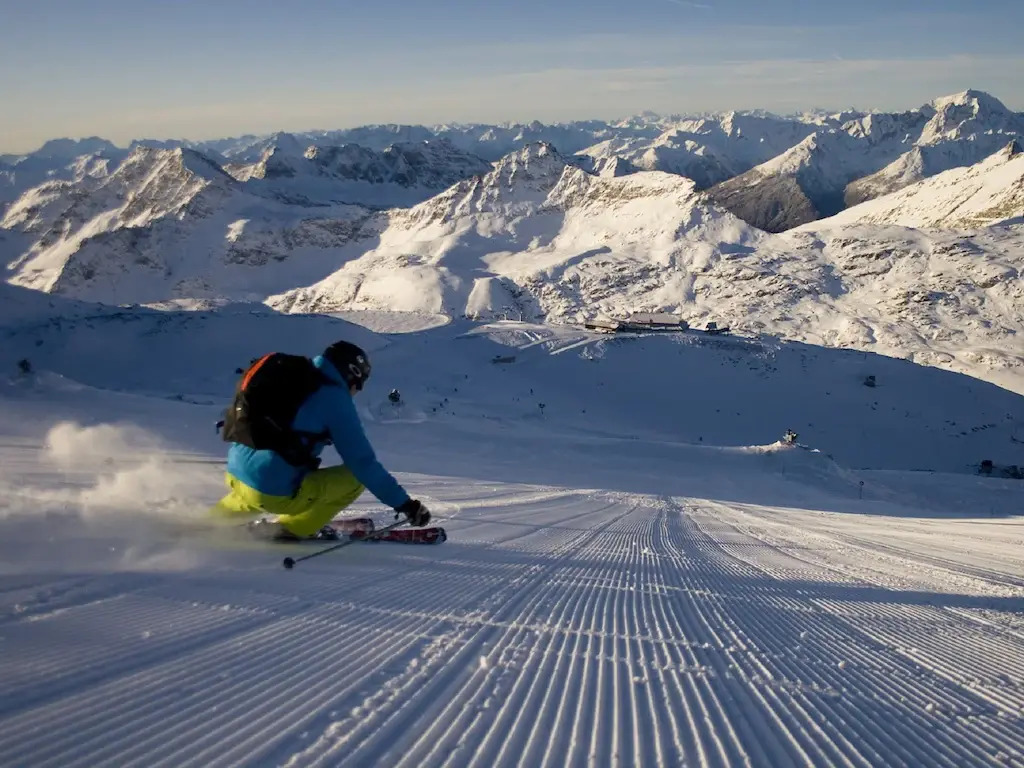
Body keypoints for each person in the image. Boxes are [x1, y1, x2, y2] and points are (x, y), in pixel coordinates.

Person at [212, 340, 430, 540]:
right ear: (352, 374)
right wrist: (406, 505)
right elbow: (362, 463)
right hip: (270, 491)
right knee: (354, 479)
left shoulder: (294, 377)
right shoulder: (334, 399)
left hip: (236, 474)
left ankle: (207, 524)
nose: (357, 391)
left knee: (258, 487)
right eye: (359, 384)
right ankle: (292, 529)